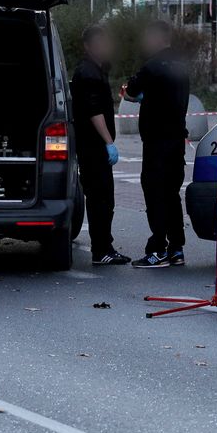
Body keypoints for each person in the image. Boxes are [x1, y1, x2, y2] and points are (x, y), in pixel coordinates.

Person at [125, 20, 190, 269]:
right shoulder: (181, 65)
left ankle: (158, 249)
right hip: (177, 139)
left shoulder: (151, 66)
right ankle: (176, 248)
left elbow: (131, 90)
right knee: (172, 194)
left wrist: (143, 96)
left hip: (156, 140)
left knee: (154, 193)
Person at [70, 24, 130, 266]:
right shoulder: (88, 72)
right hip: (93, 147)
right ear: (88, 46)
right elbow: (94, 112)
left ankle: (105, 246)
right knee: (100, 199)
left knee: (104, 199)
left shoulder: (96, 69)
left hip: (94, 146)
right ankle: (101, 249)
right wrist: (108, 142)